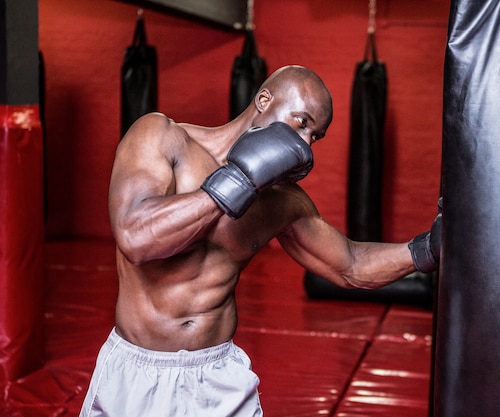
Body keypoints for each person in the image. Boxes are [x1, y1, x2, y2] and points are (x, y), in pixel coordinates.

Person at [80, 65, 441, 417]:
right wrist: (238, 181)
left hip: (219, 377)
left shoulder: (282, 201)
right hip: (138, 374)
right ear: (264, 99)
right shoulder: (161, 137)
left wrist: (428, 249)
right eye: (301, 123)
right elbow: (135, 237)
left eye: (315, 137)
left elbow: (351, 265)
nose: (304, 143)